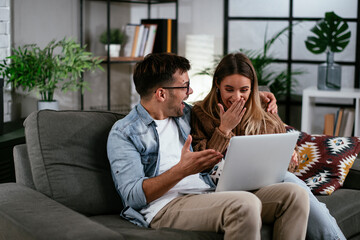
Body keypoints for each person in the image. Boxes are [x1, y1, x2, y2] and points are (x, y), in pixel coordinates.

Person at [107, 52, 310, 239]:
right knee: (245, 204)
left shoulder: (186, 114)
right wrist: (181, 170)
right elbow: (133, 196)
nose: (190, 91)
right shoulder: (124, 133)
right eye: (185, 86)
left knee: (295, 194)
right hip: (163, 206)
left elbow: (218, 98)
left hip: (209, 191)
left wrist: (258, 95)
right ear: (161, 94)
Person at [190, 52, 346, 240]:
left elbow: (286, 166)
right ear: (217, 84)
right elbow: (201, 161)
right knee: (296, 186)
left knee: (293, 182)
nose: (237, 97)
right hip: (222, 189)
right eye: (229, 89)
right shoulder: (201, 112)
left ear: (253, 88)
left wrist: (290, 156)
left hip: (267, 185)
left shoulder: (265, 113)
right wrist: (224, 129)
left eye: (244, 90)